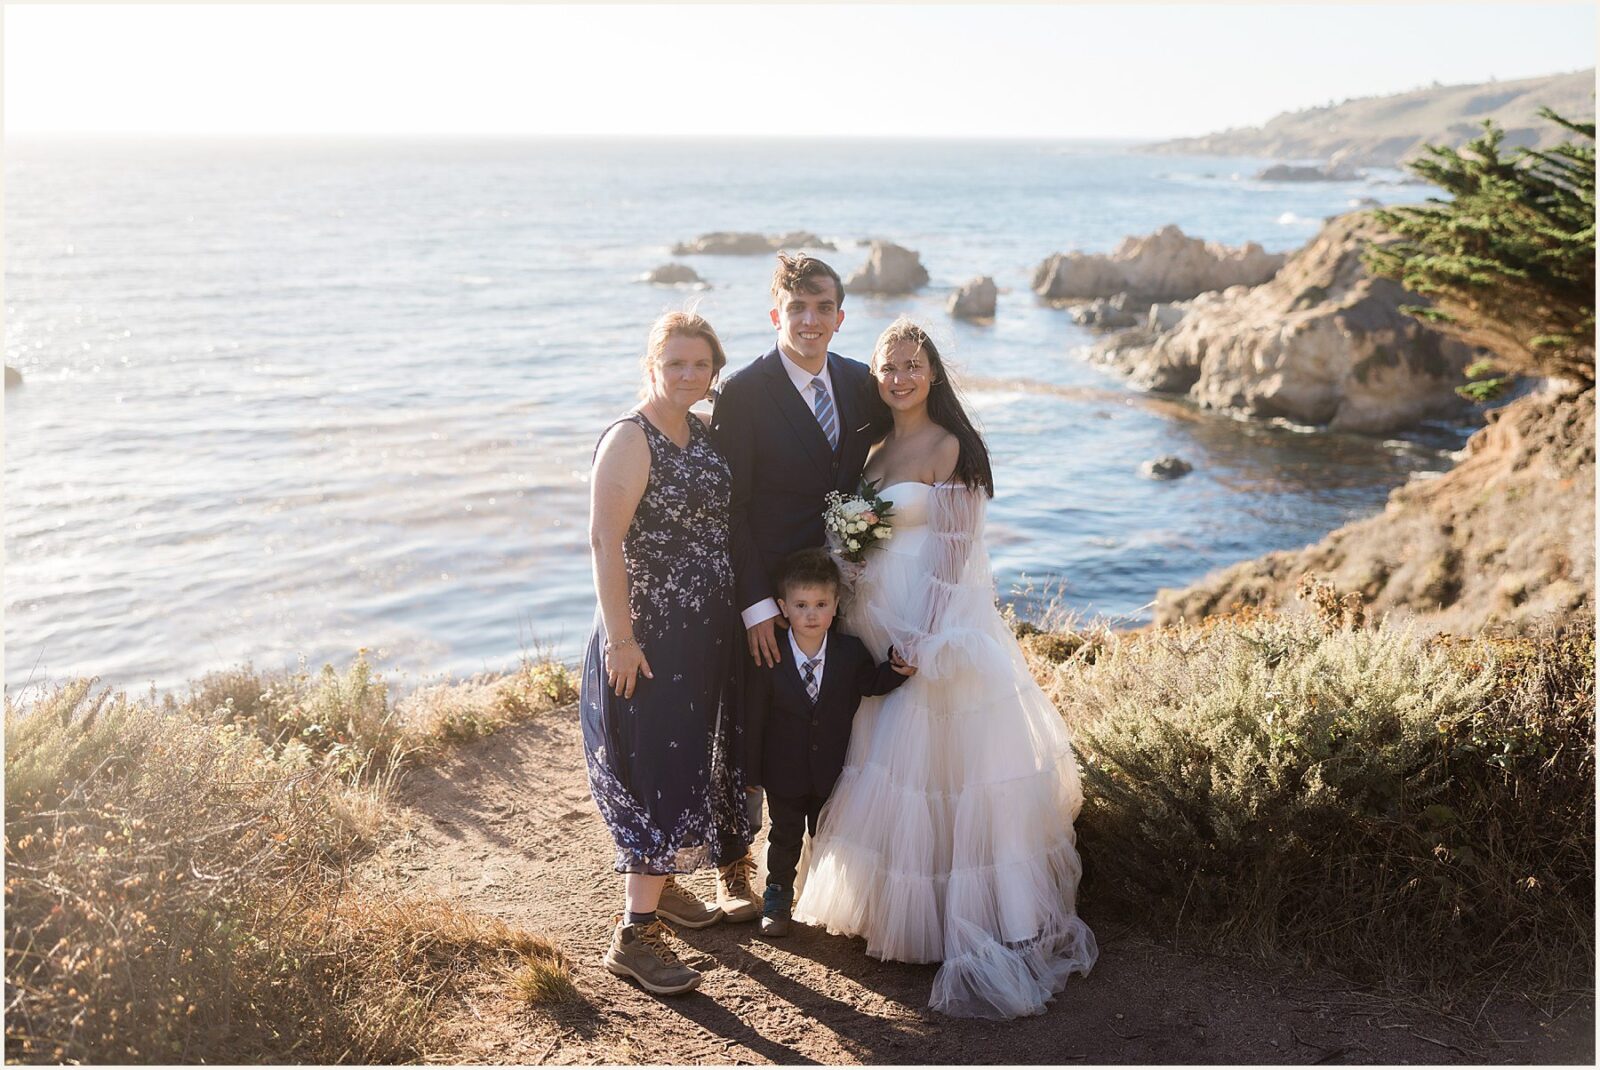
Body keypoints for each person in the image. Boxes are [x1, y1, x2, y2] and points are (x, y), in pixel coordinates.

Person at [793, 318, 1098, 1019]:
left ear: (933, 372)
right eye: (887, 367)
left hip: (933, 628)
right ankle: (899, 912)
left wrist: (923, 639)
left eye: (911, 365)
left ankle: (982, 916)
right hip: (874, 620)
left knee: (948, 766)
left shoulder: (950, 446)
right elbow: (859, 538)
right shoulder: (871, 447)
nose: (899, 378)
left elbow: (955, 553)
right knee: (886, 760)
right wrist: (846, 572)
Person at [708, 252, 887, 921]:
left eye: (822, 308)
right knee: (752, 725)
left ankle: (830, 868)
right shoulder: (744, 393)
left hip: (841, 592)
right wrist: (757, 605)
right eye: (797, 308)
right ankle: (733, 864)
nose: (810, 320)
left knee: (830, 721)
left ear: (840, 317)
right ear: (775, 314)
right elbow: (732, 510)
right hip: (772, 595)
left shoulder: (860, 382)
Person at [580, 311, 751, 996]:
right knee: (657, 766)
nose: (688, 374)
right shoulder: (631, 438)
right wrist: (621, 640)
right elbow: (604, 542)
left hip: (705, 633)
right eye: (675, 362)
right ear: (651, 365)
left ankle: (666, 884)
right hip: (650, 638)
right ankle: (634, 935)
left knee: (688, 760)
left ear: (713, 372)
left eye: (700, 364)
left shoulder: (702, 431)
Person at [741, 548, 916, 938]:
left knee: (828, 835)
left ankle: (825, 895)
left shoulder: (849, 653)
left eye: (821, 604)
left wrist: (896, 670)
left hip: (833, 769)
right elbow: (755, 718)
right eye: (801, 605)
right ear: (783, 607)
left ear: (836, 606)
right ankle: (777, 899)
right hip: (783, 771)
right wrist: (751, 773)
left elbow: (870, 684)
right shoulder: (771, 656)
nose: (811, 614)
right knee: (785, 835)